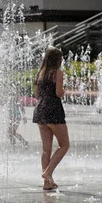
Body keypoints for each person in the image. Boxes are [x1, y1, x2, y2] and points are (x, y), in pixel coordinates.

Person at [32, 46, 69, 191]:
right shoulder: (57, 73)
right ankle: (48, 173)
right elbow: (59, 93)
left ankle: (47, 183)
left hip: (40, 110)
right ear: (57, 59)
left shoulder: (40, 73)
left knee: (46, 149)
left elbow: (36, 95)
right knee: (64, 145)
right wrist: (65, 90)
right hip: (53, 109)